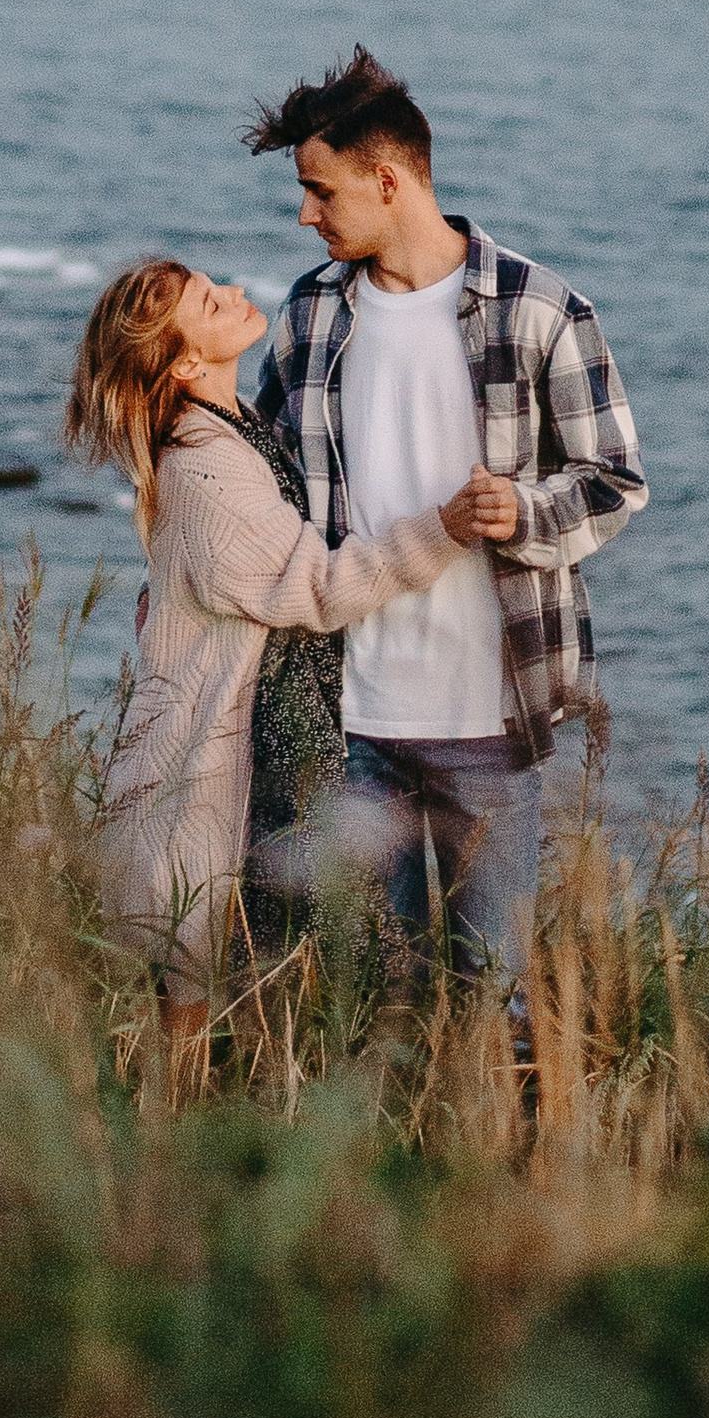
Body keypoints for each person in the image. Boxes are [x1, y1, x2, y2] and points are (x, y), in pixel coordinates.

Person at [246, 46, 647, 1001]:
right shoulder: (308, 316)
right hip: (352, 718)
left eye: (319, 189)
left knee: (486, 995)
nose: (305, 213)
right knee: (370, 995)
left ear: (387, 181)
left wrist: (524, 510)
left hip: (491, 721)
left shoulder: (540, 310)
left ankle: (482, 1149)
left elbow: (616, 480)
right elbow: (263, 483)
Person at [65, 255, 467, 1030]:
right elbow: (315, 585)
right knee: (191, 981)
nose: (238, 294)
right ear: (184, 361)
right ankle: (166, 1133)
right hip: (209, 764)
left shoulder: (232, 425)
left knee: (227, 974)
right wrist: (441, 529)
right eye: (213, 304)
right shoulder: (206, 468)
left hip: (250, 735)